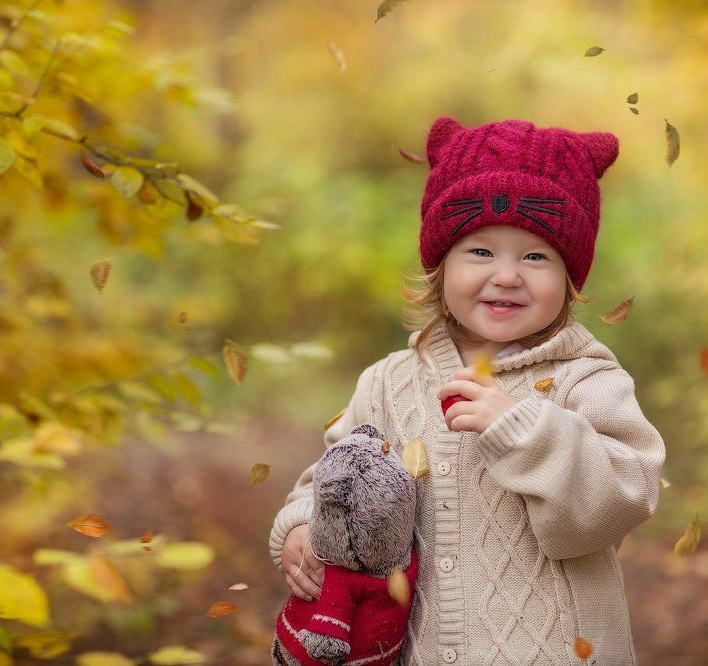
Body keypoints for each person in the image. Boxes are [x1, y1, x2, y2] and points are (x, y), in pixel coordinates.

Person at [268, 116, 667, 665]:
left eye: (536, 256)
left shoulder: (587, 378)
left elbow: (625, 494)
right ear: (440, 264)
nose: (507, 276)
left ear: (570, 278)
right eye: (480, 252)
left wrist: (525, 430)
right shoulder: (389, 382)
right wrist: (300, 526)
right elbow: (337, 476)